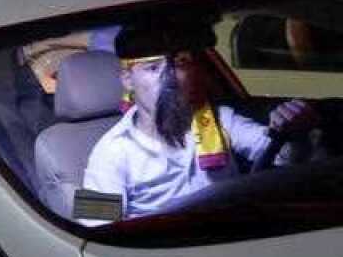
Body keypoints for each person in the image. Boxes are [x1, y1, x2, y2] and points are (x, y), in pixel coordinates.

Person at [83, 51, 317, 220]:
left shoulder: (220, 119)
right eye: (152, 68)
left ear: (196, 72)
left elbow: (283, 159)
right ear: (127, 80)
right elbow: (92, 229)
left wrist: (293, 134)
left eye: (180, 63)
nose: (169, 79)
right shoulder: (109, 151)